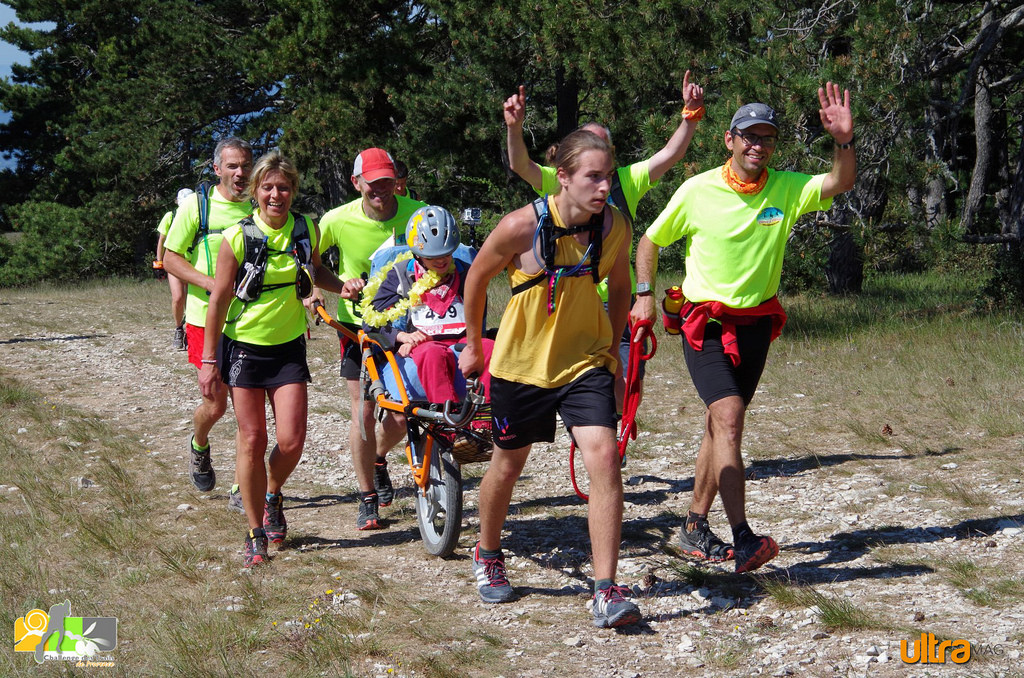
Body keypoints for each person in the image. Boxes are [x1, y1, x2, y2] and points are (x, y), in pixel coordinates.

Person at [629, 83, 857, 574]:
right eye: (749, 137)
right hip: (704, 323)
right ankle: (743, 536)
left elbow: (840, 183)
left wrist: (842, 141)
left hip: (755, 326)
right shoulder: (698, 189)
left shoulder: (787, 188)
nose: (758, 145)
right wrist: (644, 293)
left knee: (720, 426)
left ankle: (693, 525)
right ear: (729, 140)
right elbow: (649, 240)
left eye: (767, 138)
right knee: (730, 418)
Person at [459, 129, 640, 628]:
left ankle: (606, 589)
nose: (604, 187)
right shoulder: (522, 225)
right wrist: (475, 346)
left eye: (608, 176)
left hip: (585, 361)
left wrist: (615, 345)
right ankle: (488, 552)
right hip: (522, 365)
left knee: (603, 457)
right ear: (563, 177)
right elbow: (476, 279)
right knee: (507, 466)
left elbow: (621, 283)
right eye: (593, 177)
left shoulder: (615, 225)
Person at [504, 72, 705, 404]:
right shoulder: (560, 180)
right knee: (578, 383)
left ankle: (616, 434)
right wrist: (514, 128)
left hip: (617, 298)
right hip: (572, 297)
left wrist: (691, 115)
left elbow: (670, 154)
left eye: (602, 147)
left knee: (626, 376)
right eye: (588, 146)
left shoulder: (626, 181)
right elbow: (520, 164)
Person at [199, 151, 346, 567]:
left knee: (292, 441)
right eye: (267, 187)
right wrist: (210, 361)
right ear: (255, 192)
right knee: (252, 440)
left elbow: (316, 271)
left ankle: (272, 493)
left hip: (287, 348)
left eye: (283, 187)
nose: (275, 195)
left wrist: (343, 288)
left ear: (292, 190)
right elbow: (217, 303)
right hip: (243, 346)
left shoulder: (305, 228)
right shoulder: (237, 238)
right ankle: (255, 532)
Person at [318, 148, 427, 529]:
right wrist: (334, 286)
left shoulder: (418, 211)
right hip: (358, 328)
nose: (380, 189)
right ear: (356, 183)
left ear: (396, 179)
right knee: (364, 410)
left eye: (387, 180)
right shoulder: (337, 220)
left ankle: (378, 457)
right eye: (372, 182)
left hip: (410, 327)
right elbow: (307, 262)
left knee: (402, 413)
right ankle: (367, 497)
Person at [164, 137, 253, 508]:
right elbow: (170, 258)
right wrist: (210, 284)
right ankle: (199, 443)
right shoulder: (197, 208)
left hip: (249, 322)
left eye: (246, 165)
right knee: (216, 405)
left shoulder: (260, 206)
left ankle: (240, 486)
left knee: (247, 407)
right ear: (217, 169)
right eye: (232, 166)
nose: (240, 173)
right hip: (205, 319)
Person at [364, 205, 494, 408]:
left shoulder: (466, 272)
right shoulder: (398, 275)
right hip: (421, 345)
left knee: (490, 348)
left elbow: (479, 312)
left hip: (462, 340)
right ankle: (447, 421)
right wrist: (402, 337)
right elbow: (371, 321)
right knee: (432, 354)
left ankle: (483, 420)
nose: (442, 260)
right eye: (433, 256)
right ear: (417, 254)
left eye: (447, 253)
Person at [154, 187, 194, 351]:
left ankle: (192, 332)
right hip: (175, 262)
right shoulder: (170, 217)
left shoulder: (196, 215)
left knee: (193, 300)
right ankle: (179, 328)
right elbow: (161, 240)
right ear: (177, 202)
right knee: (178, 297)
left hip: (193, 263)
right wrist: (159, 263)